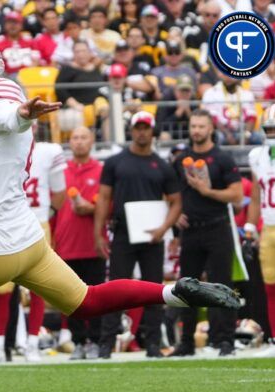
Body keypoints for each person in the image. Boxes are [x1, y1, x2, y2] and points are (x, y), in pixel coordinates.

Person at [0, 31, 241, 392]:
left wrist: (23, 113)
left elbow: (7, 113)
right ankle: (175, 291)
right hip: (25, 240)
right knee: (86, 301)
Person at [94, 111, 183, 359]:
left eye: (146, 128)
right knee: (114, 289)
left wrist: (164, 229)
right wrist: (98, 232)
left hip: (153, 236)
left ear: (152, 131)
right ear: (132, 130)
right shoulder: (115, 162)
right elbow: (103, 198)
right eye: (138, 127)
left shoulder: (162, 166)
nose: (142, 132)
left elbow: (176, 201)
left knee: (154, 289)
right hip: (122, 233)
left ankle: (153, 343)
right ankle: (106, 343)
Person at [0, 125, 66, 364]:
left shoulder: (49, 152)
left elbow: (59, 193)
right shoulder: (1, 149)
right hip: (7, 224)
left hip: (37, 222)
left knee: (40, 285)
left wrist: (45, 215)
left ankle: (32, 344)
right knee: (2, 287)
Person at [171, 110, 243, 357]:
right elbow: (171, 194)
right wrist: (174, 215)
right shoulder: (181, 159)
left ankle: (225, 341)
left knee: (223, 285)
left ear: (211, 128)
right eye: (193, 126)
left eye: (201, 126)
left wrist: (207, 191)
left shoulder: (223, 158)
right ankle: (187, 342)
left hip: (217, 227)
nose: (197, 131)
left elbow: (237, 196)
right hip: (190, 230)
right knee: (186, 287)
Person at [53, 126, 104, 360]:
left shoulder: (102, 170)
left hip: (92, 244)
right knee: (68, 297)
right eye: (75, 138)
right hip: (66, 245)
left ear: (92, 141)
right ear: (69, 142)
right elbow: (52, 209)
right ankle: (77, 341)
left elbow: (108, 206)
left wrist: (92, 208)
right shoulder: (60, 173)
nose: (80, 142)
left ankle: (94, 340)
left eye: (84, 137)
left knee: (95, 296)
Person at [247, 104, 275, 356]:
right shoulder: (257, 156)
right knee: (272, 287)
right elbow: (256, 196)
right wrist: (250, 228)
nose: (273, 132)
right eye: (270, 128)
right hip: (270, 229)